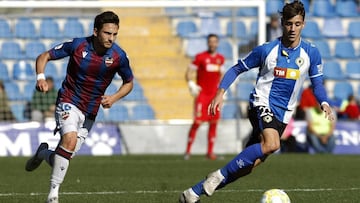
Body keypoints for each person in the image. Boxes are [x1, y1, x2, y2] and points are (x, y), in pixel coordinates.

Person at [179, 1, 335, 202]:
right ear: (282, 23)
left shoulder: (311, 53)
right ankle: (216, 175)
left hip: (283, 115)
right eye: (289, 24)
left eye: (297, 24)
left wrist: (324, 102)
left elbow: (317, 84)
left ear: (303, 24)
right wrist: (220, 93)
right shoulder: (267, 50)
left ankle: (192, 193)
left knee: (248, 166)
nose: (292, 29)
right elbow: (237, 68)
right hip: (261, 103)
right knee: (272, 144)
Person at [25, 11, 134, 203]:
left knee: (64, 156)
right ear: (95, 31)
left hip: (90, 111)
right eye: (107, 33)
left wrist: (115, 97)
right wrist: (40, 78)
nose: (111, 38)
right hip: (69, 101)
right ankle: (53, 195)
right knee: (69, 140)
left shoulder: (118, 56)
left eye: (115, 34)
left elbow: (129, 82)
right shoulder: (78, 45)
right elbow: (44, 56)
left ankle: (43, 153)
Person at [184, 34, 225, 160]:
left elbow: (222, 75)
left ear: (217, 43)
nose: (212, 44)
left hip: (214, 96)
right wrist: (191, 83)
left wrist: (223, 91)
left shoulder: (220, 59)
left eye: (215, 42)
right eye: (210, 42)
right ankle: (188, 151)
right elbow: (188, 72)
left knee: (214, 123)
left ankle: (210, 152)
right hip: (202, 95)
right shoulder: (200, 57)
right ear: (208, 43)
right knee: (197, 122)